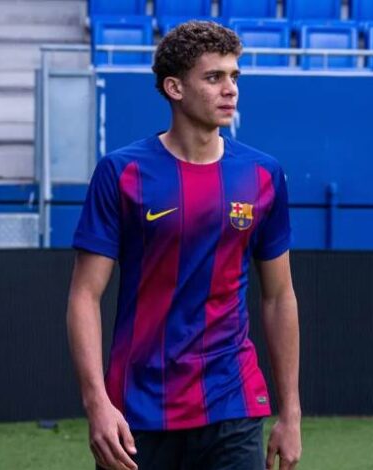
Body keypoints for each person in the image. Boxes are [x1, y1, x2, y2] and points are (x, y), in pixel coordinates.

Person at [66, 20, 301, 470]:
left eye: (234, 76)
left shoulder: (263, 175)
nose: (230, 89)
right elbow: (84, 295)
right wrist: (97, 403)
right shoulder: (121, 173)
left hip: (232, 399)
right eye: (214, 77)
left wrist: (291, 412)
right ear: (174, 88)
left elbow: (279, 297)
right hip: (138, 407)